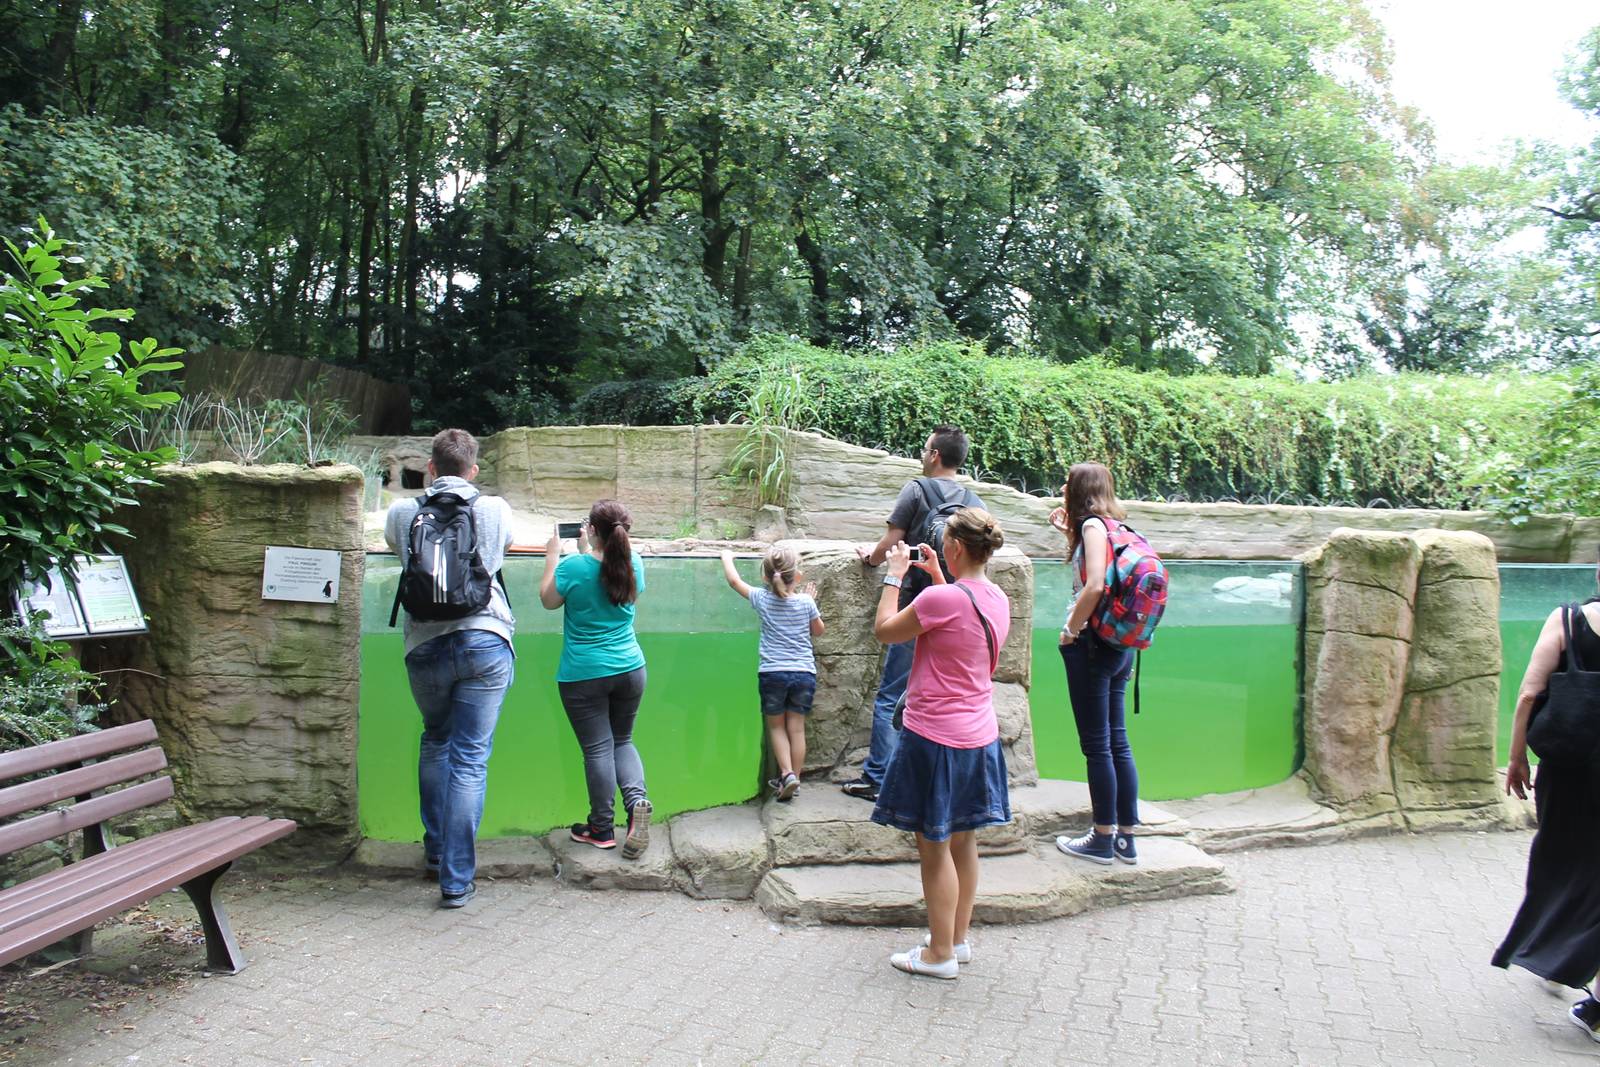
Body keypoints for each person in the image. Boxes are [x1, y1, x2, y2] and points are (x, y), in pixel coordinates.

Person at [870, 508, 1011, 980]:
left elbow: (885, 630)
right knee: (964, 841)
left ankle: (939, 955)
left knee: (934, 847)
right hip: (980, 736)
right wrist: (936, 577)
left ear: (955, 547)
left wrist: (894, 575)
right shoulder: (997, 597)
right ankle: (957, 940)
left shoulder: (941, 600)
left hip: (935, 738)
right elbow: (959, 625)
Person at [384, 429, 515, 909]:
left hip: (424, 644)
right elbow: (503, 550)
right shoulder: (494, 509)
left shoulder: (403, 512)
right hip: (485, 639)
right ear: (473, 470)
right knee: (470, 758)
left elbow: (398, 551)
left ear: (431, 468)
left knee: (436, 738)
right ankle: (456, 882)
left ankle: (436, 852)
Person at [843, 426, 983, 802]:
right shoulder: (974, 501)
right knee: (945, 692)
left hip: (915, 605)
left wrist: (871, 560)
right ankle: (930, 777)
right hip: (958, 607)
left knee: (893, 692)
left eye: (925, 449)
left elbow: (892, 541)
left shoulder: (916, 490)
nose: (923, 455)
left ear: (935, 455)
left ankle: (879, 777)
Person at [1492, 571, 1600, 1040]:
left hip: (1570, 769)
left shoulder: (1568, 619)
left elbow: (1529, 694)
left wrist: (1517, 757)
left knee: (1563, 863)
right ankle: (1571, 967)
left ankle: (1561, 961)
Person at [540, 500, 652, 859]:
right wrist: (588, 551)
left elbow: (548, 601)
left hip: (584, 673)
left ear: (590, 529)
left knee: (597, 749)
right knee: (623, 740)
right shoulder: (634, 563)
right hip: (630, 668)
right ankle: (636, 805)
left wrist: (552, 557)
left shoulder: (572, 567)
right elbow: (610, 580)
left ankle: (601, 828)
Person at [1051, 462, 1140, 866]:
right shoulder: (1115, 526)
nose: (1062, 488)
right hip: (1120, 646)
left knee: (1097, 746)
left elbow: (1096, 584)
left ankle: (1102, 838)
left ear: (1080, 490)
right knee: (1117, 741)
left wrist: (1070, 629)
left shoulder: (1092, 526)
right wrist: (1067, 532)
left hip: (1092, 645)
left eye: (1067, 484)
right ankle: (1125, 839)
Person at [720, 547, 826, 801]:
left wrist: (726, 556)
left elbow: (734, 581)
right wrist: (811, 604)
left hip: (773, 673)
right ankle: (794, 779)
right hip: (803, 673)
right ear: (797, 576)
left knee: (777, 727)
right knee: (796, 729)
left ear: (765, 577)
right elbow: (818, 630)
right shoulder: (806, 601)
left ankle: (786, 774)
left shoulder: (761, 598)